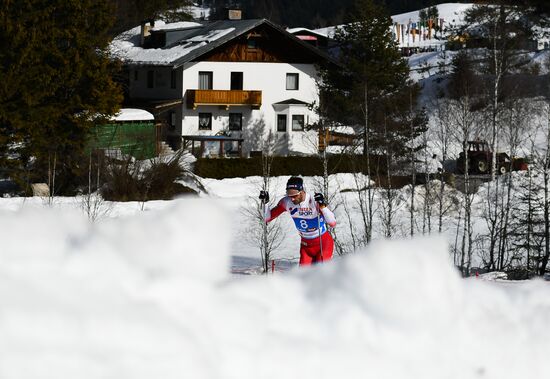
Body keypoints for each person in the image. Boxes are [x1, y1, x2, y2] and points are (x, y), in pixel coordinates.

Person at [259, 176, 336, 266]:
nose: (292, 199)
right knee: (303, 276)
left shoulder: (314, 200)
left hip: (323, 243)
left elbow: (332, 223)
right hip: (306, 246)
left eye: (295, 195)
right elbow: (267, 219)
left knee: (321, 274)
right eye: (289, 195)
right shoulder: (286, 202)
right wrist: (265, 203)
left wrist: (323, 206)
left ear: (302, 191)